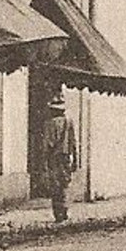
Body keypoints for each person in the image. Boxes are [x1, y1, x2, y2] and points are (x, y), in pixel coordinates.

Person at [40, 94, 78, 223]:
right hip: (66, 157)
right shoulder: (69, 122)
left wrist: (44, 162)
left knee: (55, 185)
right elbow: (73, 142)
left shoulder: (49, 124)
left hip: (53, 157)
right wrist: (76, 160)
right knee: (64, 184)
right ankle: (65, 210)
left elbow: (46, 144)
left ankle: (58, 213)